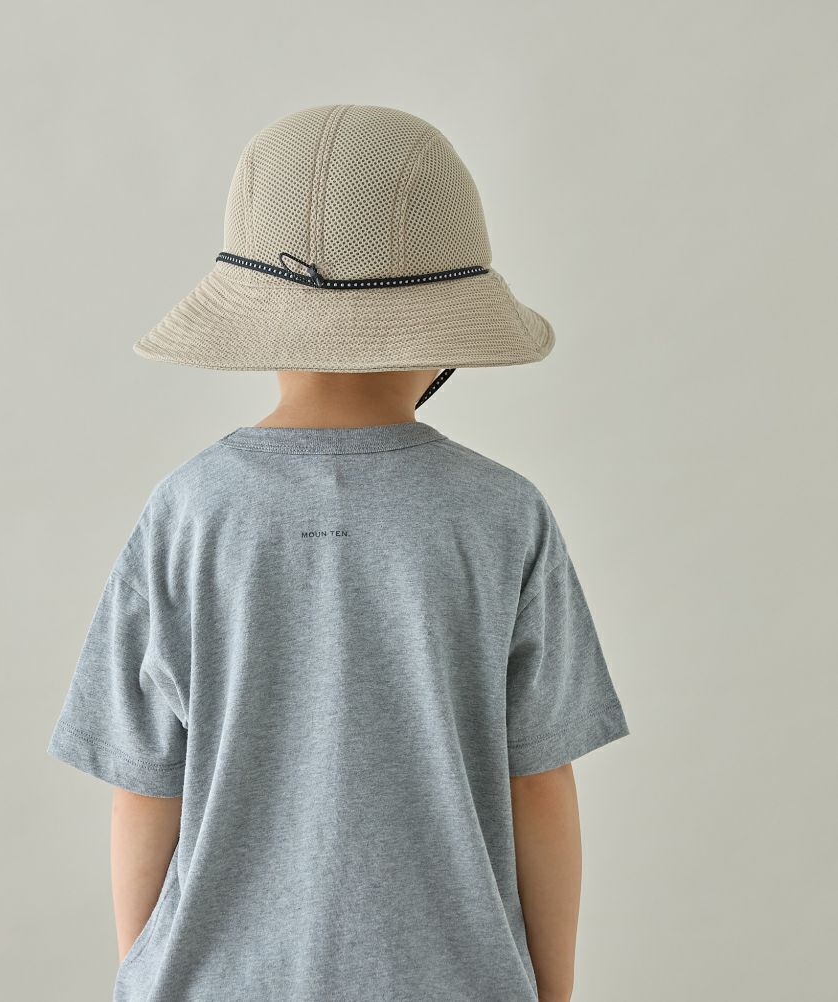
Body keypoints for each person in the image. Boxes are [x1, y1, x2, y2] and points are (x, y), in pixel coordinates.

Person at [46, 103, 630, 1002]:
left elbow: (145, 786)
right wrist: (550, 993)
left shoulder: (188, 511)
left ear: (259, 322)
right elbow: (540, 784)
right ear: (445, 331)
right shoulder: (501, 514)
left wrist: (146, 975)